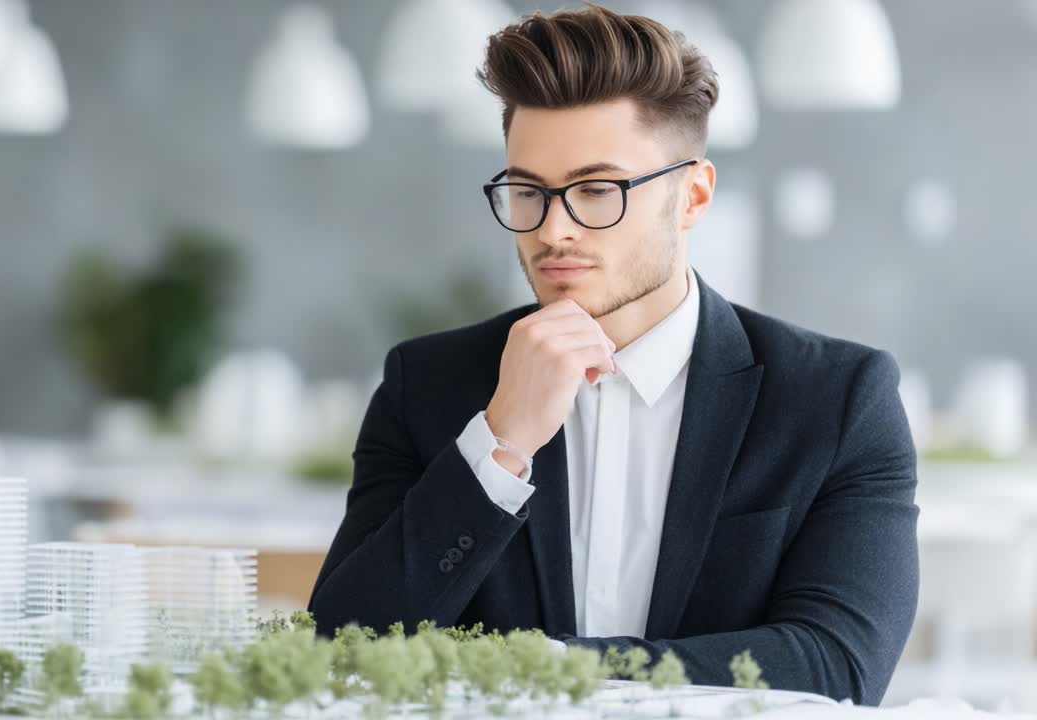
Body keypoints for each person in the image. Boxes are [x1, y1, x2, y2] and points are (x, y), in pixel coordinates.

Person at [307, 3, 917, 706]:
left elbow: (837, 665)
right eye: (528, 190)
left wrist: (555, 666)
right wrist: (499, 445)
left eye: (598, 190)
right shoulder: (428, 386)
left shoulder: (837, 400)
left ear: (692, 196)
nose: (553, 228)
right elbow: (338, 649)